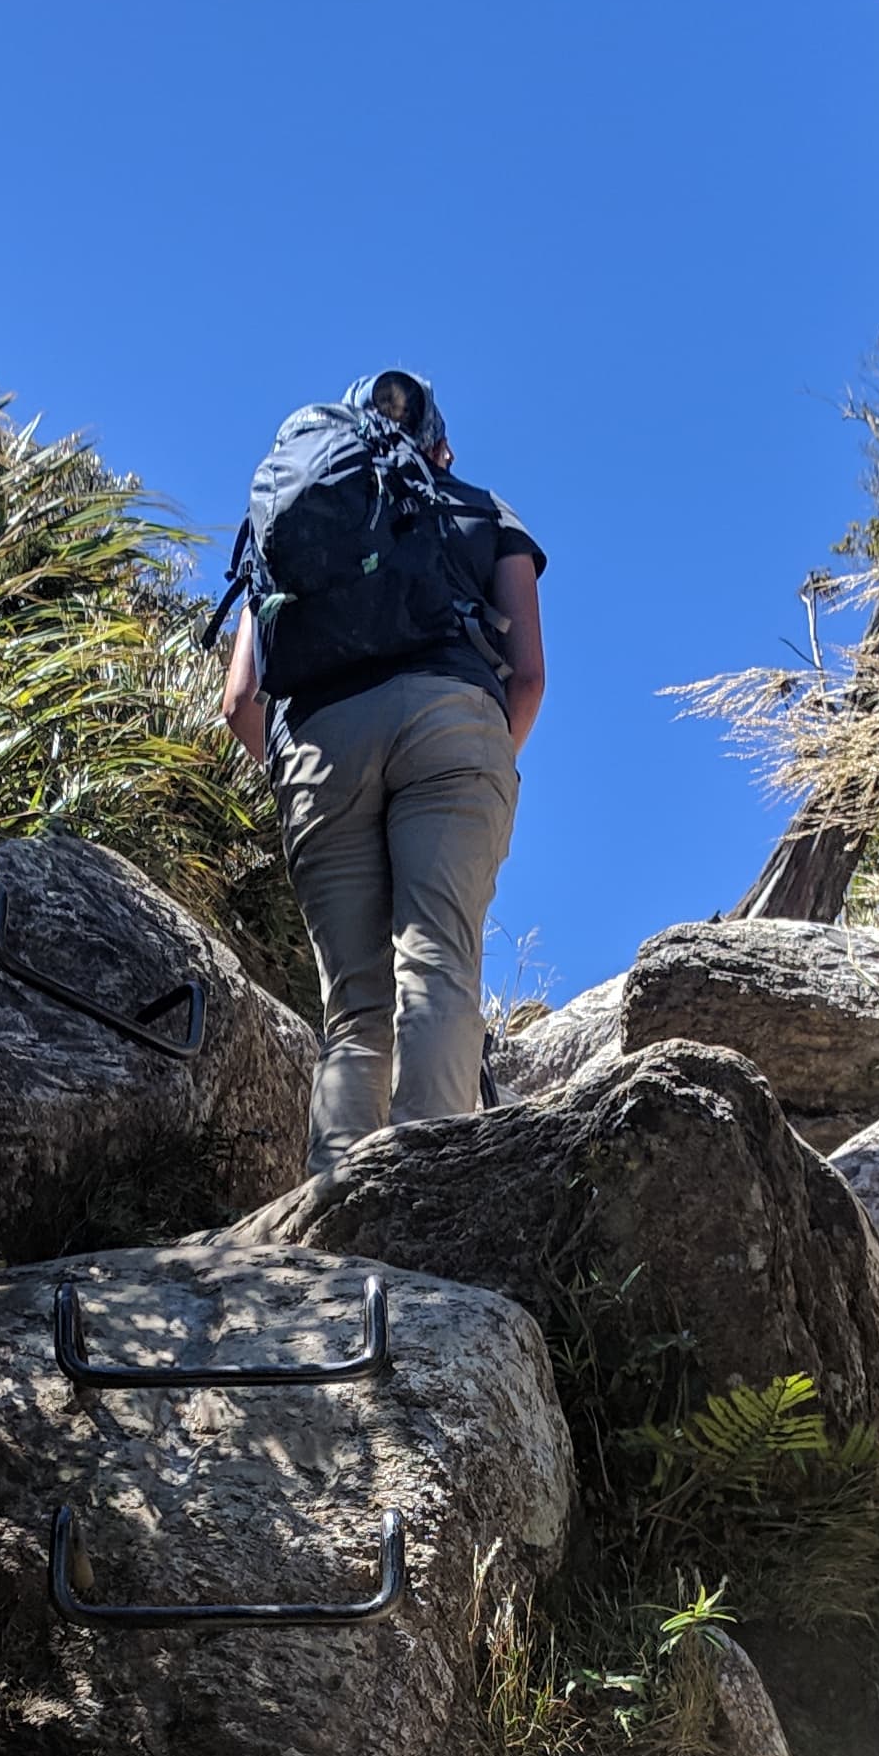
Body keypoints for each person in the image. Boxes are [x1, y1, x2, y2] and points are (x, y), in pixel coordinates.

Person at [220, 368, 545, 1166]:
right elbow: (529, 675)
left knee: (355, 1010)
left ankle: (335, 1217)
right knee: (437, 963)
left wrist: (305, 771)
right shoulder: (479, 508)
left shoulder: (289, 520)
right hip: (451, 726)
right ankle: (427, 1207)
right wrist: (477, 764)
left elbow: (239, 702)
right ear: (438, 444)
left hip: (319, 746)